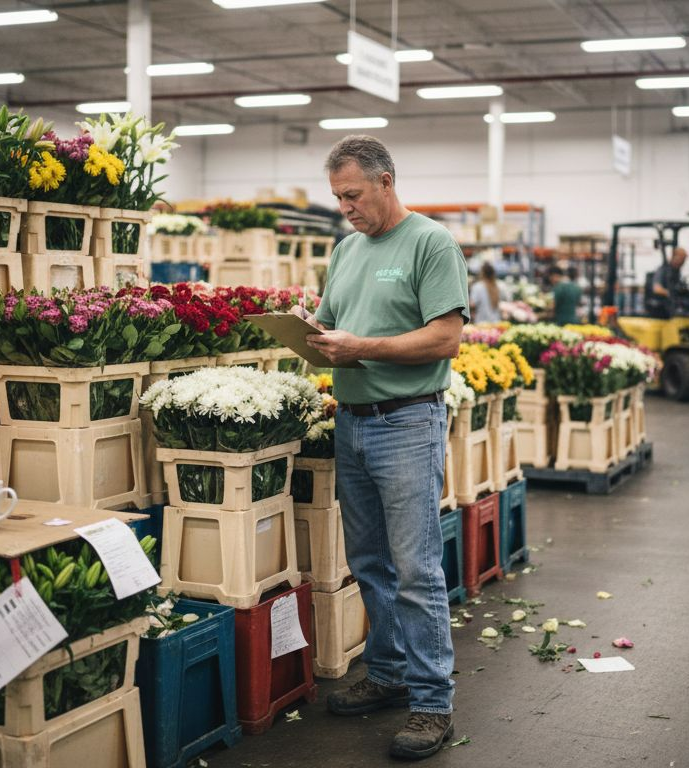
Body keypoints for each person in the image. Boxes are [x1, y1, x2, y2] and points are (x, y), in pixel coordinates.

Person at [292, 135, 467, 761]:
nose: (345, 207)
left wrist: (362, 346)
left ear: (386, 181)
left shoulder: (430, 243)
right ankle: (390, 674)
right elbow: (331, 321)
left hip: (407, 423)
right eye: (338, 197)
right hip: (355, 422)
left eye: (354, 195)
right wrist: (305, 334)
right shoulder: (345, 251)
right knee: (369, 562)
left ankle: (432, 704)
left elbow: (446, 338)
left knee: (417, 570)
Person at [647, 247, 688, 319]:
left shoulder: (677, 273)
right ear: (674, 257)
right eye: (681, 259)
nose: (682, 262)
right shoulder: (663, 270)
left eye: (684, 260)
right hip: (660, 308)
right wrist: (670, 294)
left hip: (670, 307)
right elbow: (657, 289)